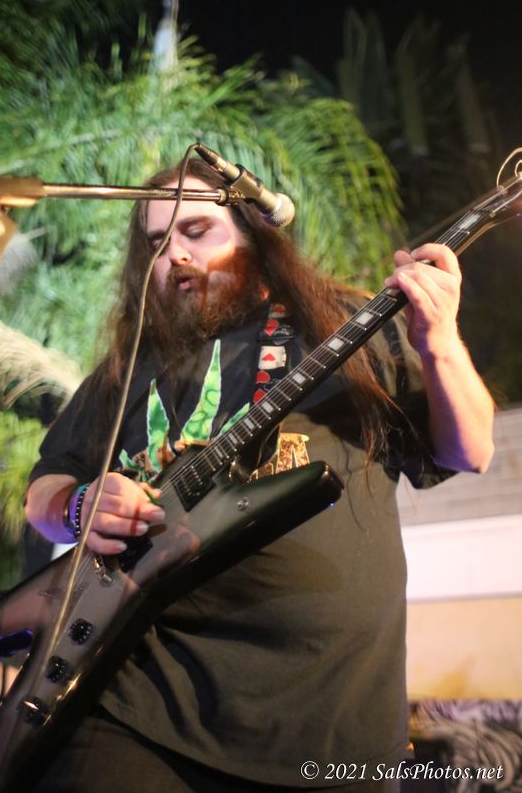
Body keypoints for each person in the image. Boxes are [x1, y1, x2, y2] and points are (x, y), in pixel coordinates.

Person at [25, 158, 494, 792]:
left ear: (253, 234)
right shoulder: (126, 367)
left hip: (332, 728)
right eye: (157, 243)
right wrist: (78, 506)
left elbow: (470, 450)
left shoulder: (344, 323)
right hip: (138, 706)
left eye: (197, 231)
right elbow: (45, 489)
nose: (176, 254)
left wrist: (439, 342)